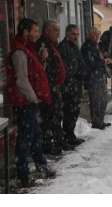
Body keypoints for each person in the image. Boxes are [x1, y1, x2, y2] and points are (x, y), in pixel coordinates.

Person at [6, 18, 56, 186]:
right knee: (25, 138)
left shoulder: (28, 49)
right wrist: (33, 98)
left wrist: (42, 60)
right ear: (26, 32)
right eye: (35, 31)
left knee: (36, 136)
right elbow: (21, 80)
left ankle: (41, 166)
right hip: (24, 102)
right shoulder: (19, 52)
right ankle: (24, 175)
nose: (37, 34)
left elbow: (34, 72)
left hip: (29, 101)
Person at [35, 19, 75, 155]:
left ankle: (59, 140)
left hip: (54, 87)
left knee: (57, 116)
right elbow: (43, 69)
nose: (59, 33)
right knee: (49, 117)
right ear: (47, 31)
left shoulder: (52, 44)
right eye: (56, 30)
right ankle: (47, 144)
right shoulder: (42, 45)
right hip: (48, 88)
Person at [58, 24, 86, 146]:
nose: (76, 37)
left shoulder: (74, 46)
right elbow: (64, 68)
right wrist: (71, 81)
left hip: (76, 84)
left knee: (74, 111)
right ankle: (67, 136)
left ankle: (71, 135)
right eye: (73, 34)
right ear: (67, 34)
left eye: (77, 34)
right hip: (69, 85)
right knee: (69, 112)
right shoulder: (64, 47)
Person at [81, 26, 111, 130]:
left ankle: (101, 120)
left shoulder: (96, 46)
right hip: (92, 79)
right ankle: (96, 122)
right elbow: (90, 63)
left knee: (103, 100)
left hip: (99, 77)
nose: (97, 36)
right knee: (95, 102)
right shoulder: (87, 47)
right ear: (89, 35)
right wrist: (103, 62)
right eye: (95, 34)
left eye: (98, 34)